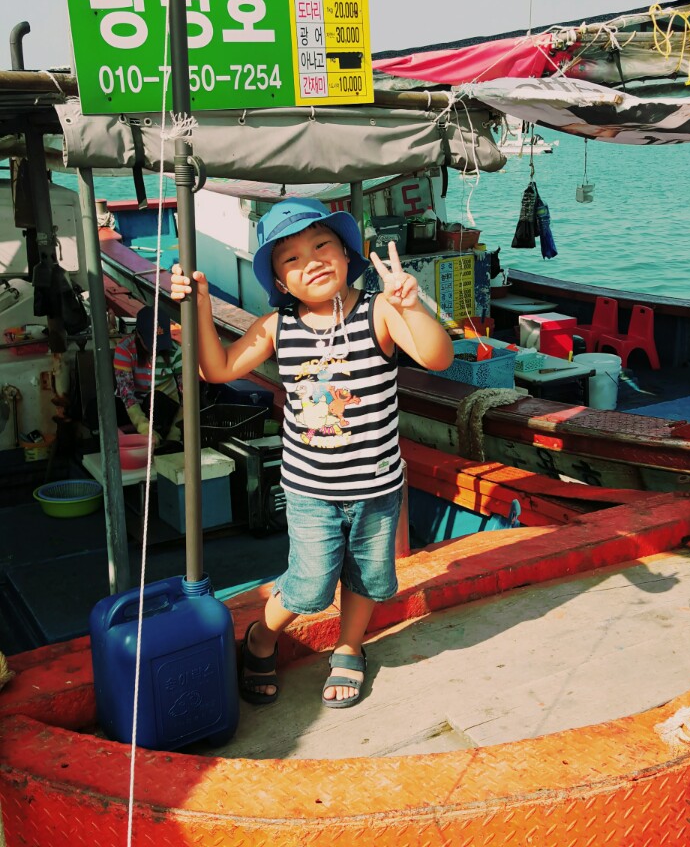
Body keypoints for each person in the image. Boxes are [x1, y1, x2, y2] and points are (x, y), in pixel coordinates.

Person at [170, 198, 453, 708]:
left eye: (322, 246)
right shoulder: (277, 326)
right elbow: (217, 369)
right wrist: (200, 307)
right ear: (280, 283)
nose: (313, 261)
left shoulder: (380, 310)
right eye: (292, 258)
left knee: (367, 576)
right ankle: (261, 637)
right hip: (311, 491)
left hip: (378, 486)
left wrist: (412, 304)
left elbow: (438, 355)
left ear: (348, 255)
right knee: (308, 585)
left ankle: (349, 646)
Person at [113, 305, 183, 445]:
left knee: (155, 400)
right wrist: (143, 426)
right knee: (99, 408)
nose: (156, 350)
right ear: (138, 335)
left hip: (162, 408)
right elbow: (127, 394)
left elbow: (188, 394)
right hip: (134, 407)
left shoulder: (176, 351)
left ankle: (163, 440)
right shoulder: (124, 349)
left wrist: (176, 430)